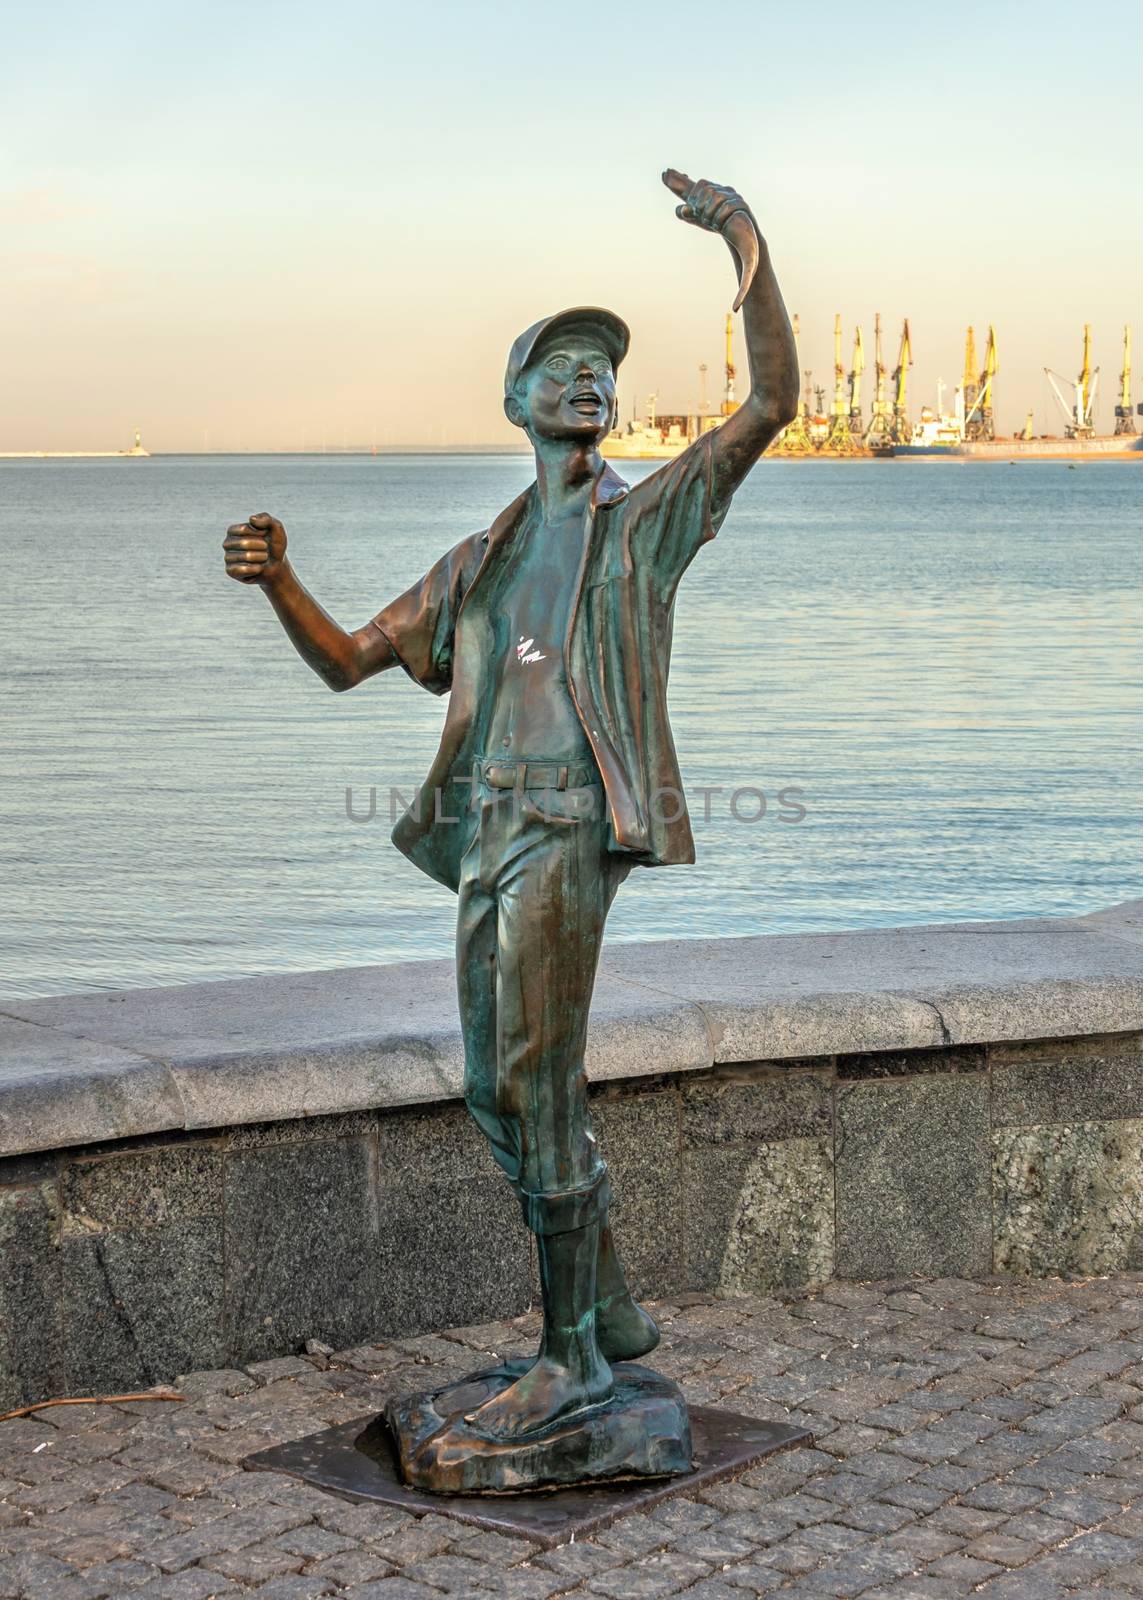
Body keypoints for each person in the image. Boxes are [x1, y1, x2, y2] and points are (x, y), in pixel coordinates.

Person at [223, 171, 798, 1442]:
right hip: (487, 827)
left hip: (566, 822)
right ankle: (605, 1305)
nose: (588, 382)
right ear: (516, 401)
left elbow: (769, 404)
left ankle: (571, 1360)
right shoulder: (481, 557)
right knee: (494, 1084)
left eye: (603, 369)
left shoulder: (641, 525)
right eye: (562, 367)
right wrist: (279, 579)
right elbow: (349, 658)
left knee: (538, 1078)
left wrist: (746, 242)